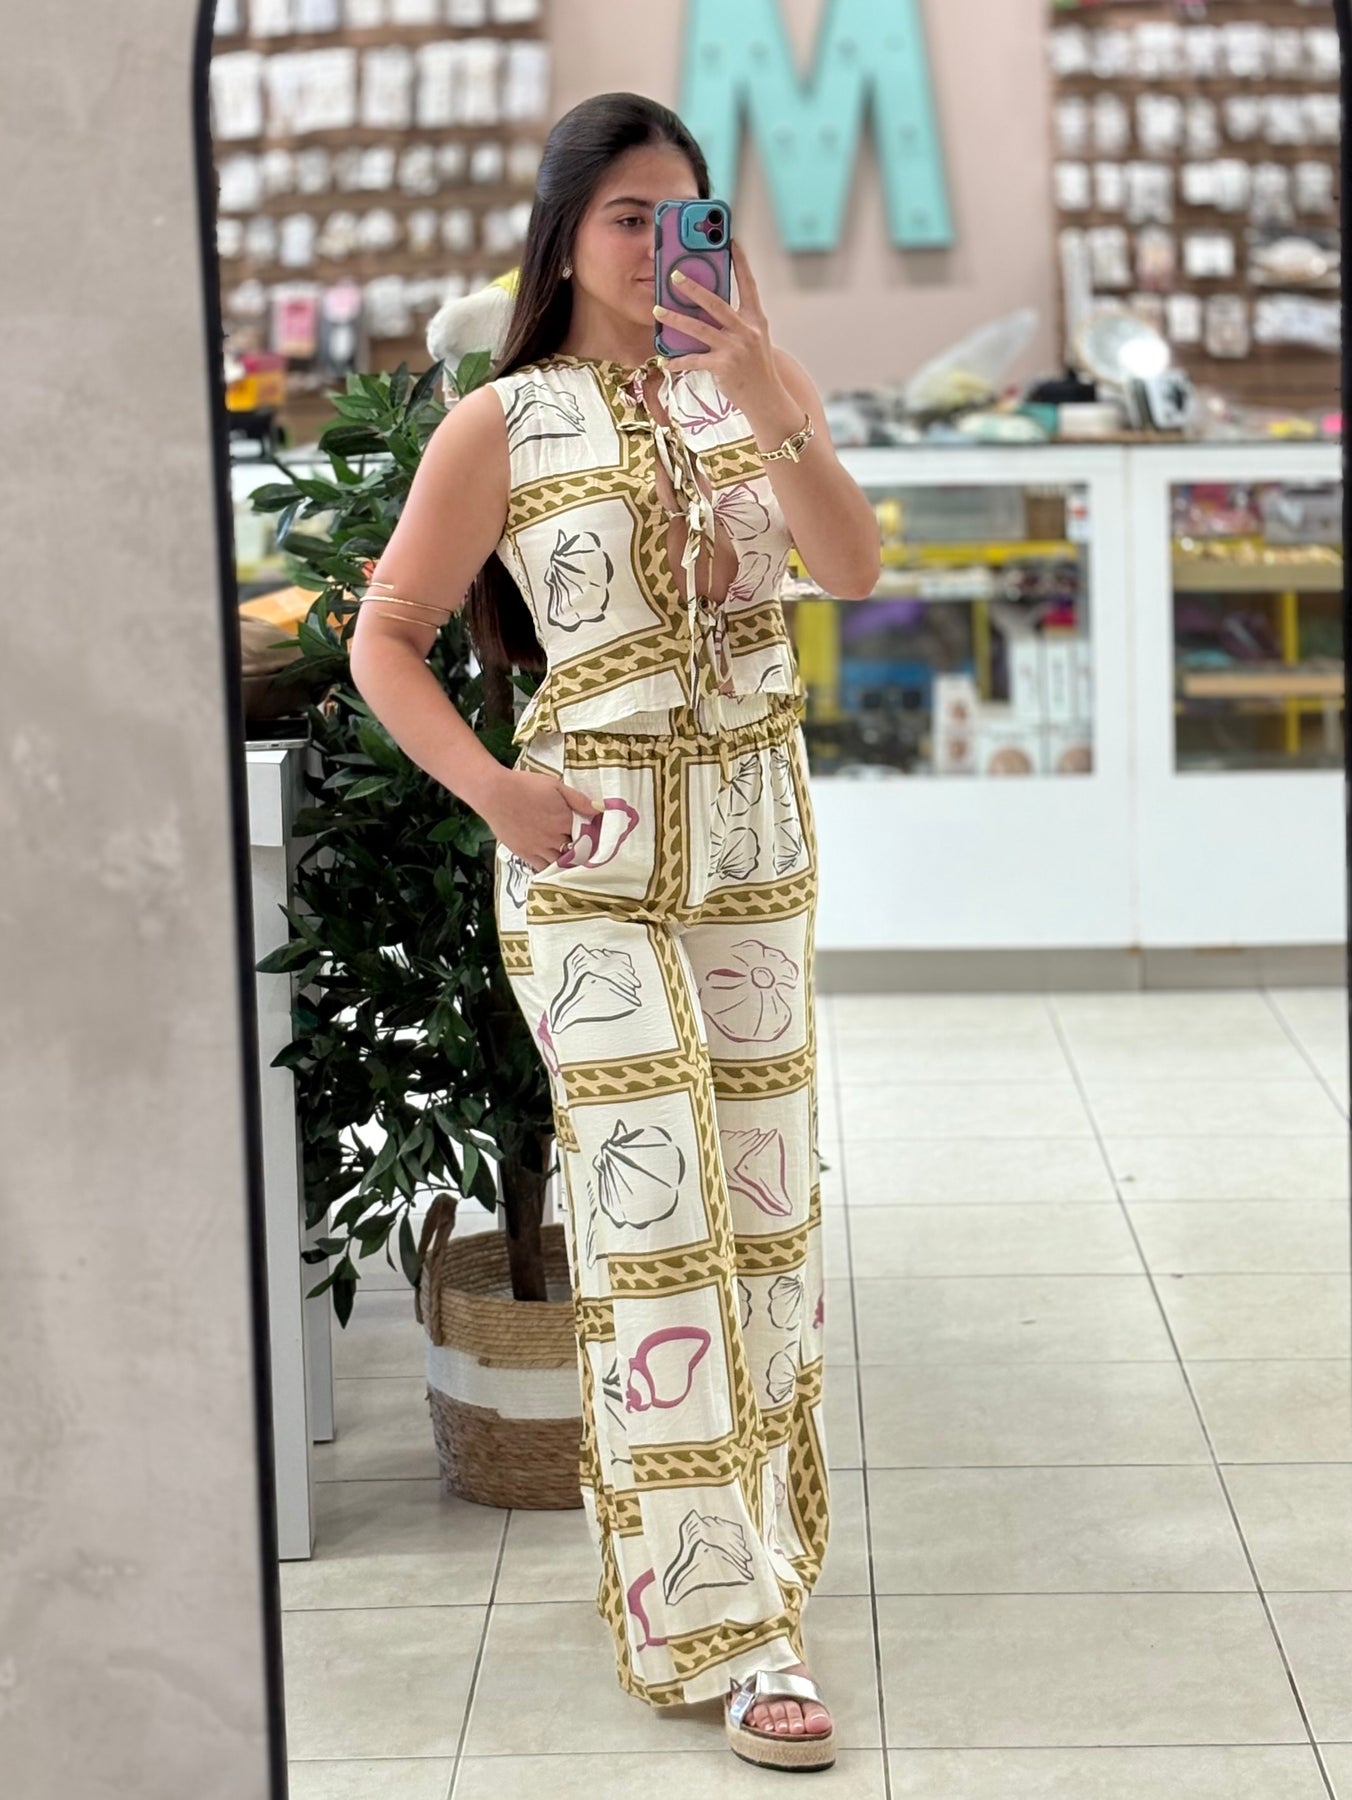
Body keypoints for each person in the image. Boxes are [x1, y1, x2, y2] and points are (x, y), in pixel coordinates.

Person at [349, 90, 880, 1774]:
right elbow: (387, 635)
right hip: (587, 866)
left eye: (683, 215)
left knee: (764, 1233)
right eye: (628, 217)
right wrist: (491, 792)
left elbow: (854, 569)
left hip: (754, 859)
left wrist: (769, 393)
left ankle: (757, 1566)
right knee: (656, 1235)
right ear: (567, 234)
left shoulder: (758, 388)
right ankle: (734, 1634)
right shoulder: (500, 418)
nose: (658, 246)